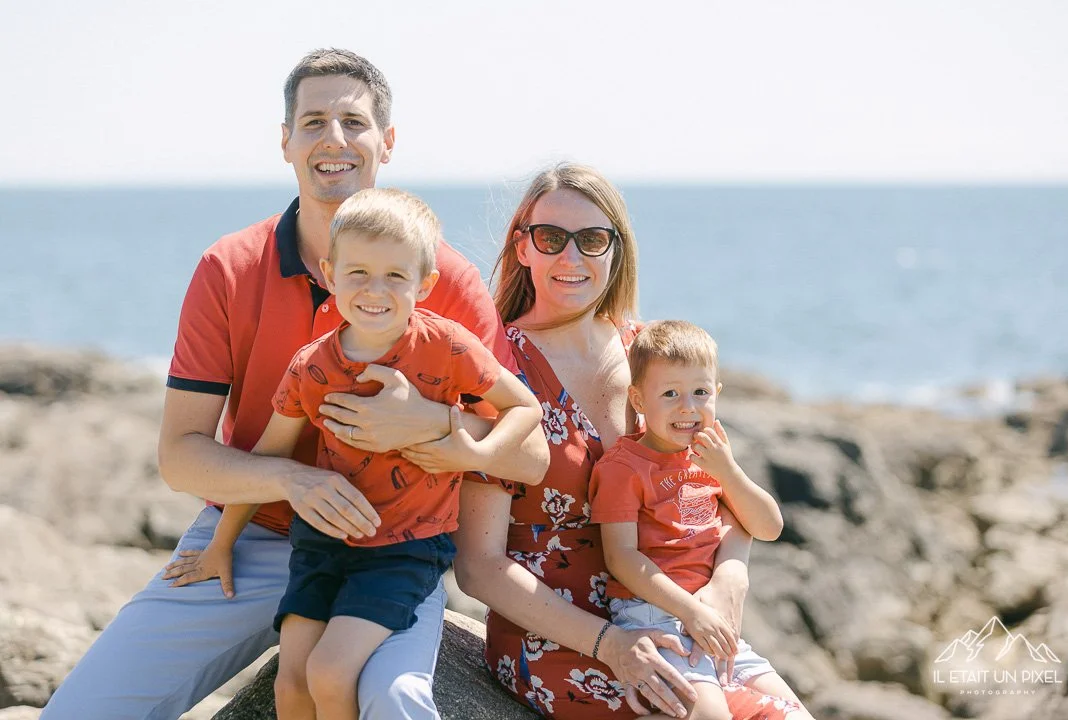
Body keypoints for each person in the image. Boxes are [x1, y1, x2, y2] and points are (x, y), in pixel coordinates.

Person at [42, 49, 548, 720]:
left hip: (389, 545)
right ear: (286, 142)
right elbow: (180, 455)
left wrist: (433, 424)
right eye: (313, 121)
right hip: (251, 536)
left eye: (354, 121)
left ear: (386, 143)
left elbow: (529, 454)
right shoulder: (228, 268)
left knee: (398, 704)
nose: (333, 139)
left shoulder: (442, 279)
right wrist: (291, 481)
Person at [421, 163, 812, 719]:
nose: (571, 257)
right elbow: (478, 566)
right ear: (523, 248)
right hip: (561, 639)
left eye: (593, 239)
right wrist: (610, 644)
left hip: (673, 616)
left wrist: (731, 575)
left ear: (616, 251)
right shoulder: (497, 373)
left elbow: (718, 489)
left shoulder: (651, 356)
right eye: (551, 238)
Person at [162, 188, 544, 720]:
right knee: (292, 684)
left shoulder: (447, 346)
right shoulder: (311, 366)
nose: (374, 290)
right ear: (330, 272)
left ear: (425, 284)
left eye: (395, 275)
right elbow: (267, 458)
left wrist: (470, 451)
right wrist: (221, 544)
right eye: (358, 272)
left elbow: (525, 407)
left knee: (330, 672)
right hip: (322, 543)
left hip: (405, 547)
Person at [591, 319, 787, 720]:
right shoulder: (623, 468)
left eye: (701, 392)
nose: (688, 408)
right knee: (710, 715)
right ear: (639, 400)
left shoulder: (713, 452)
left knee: (793, 710)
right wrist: (689, 612)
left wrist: (728, 471)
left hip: (712, 617)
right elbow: (622, 557)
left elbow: (769, 527)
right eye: (670, 394)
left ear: (716, 392)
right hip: (654, 612)